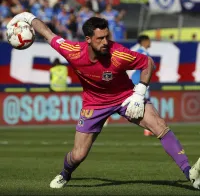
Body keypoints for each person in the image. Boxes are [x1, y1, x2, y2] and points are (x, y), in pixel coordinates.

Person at [7, 12, 200, 190]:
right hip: (94, 104)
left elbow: (147, 62)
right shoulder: (72, 51)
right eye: (100, 38)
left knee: (160, 126)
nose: (106, 42)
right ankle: (65, 174)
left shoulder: (118, 53)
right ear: (88, 40)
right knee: (78, 155)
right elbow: (48, 33)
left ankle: (190, 174)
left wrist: (139, 93)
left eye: (107, 36)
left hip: (125, 97)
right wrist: (27, 16)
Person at [131, 35, 154, 136]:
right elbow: (151, 66)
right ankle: (148, 129)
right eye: (149, 40)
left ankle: (148, 129)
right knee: (145, 105)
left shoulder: (140, 52)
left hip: (138, 80)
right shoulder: (143, 53)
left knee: (142, 105)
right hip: (141, 82)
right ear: (144, 41)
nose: (150, 42)